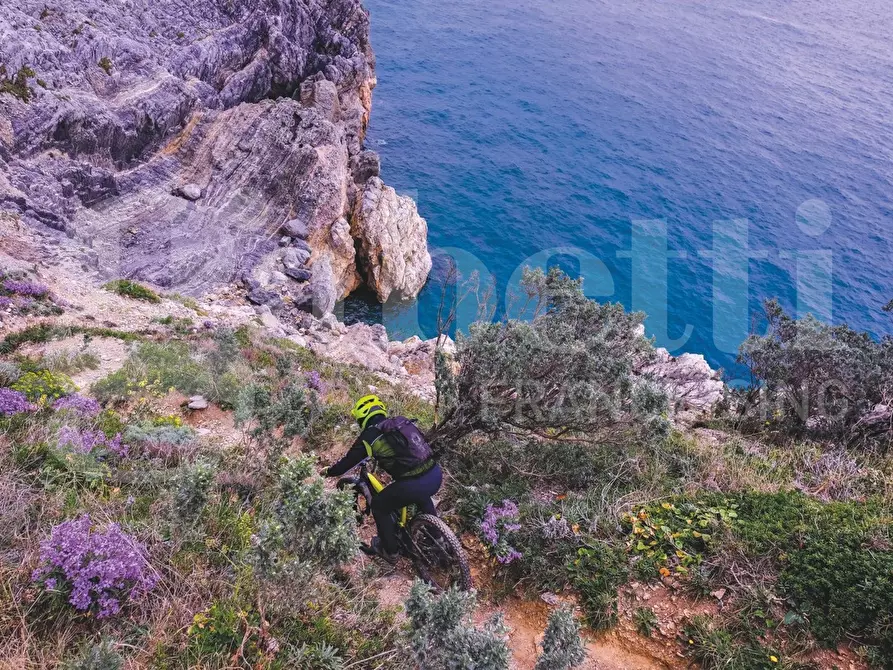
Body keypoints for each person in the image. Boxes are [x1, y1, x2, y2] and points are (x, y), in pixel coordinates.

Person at [322, 394, 442, 563]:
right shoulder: (401, 422)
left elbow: (346, 464)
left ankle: (390, 551)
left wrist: (329, 472)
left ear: (362, 418)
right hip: (435, 474)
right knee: (421, 493)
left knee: (379, 506)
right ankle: (439, 537)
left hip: (413, 485)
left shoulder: (369, 436)